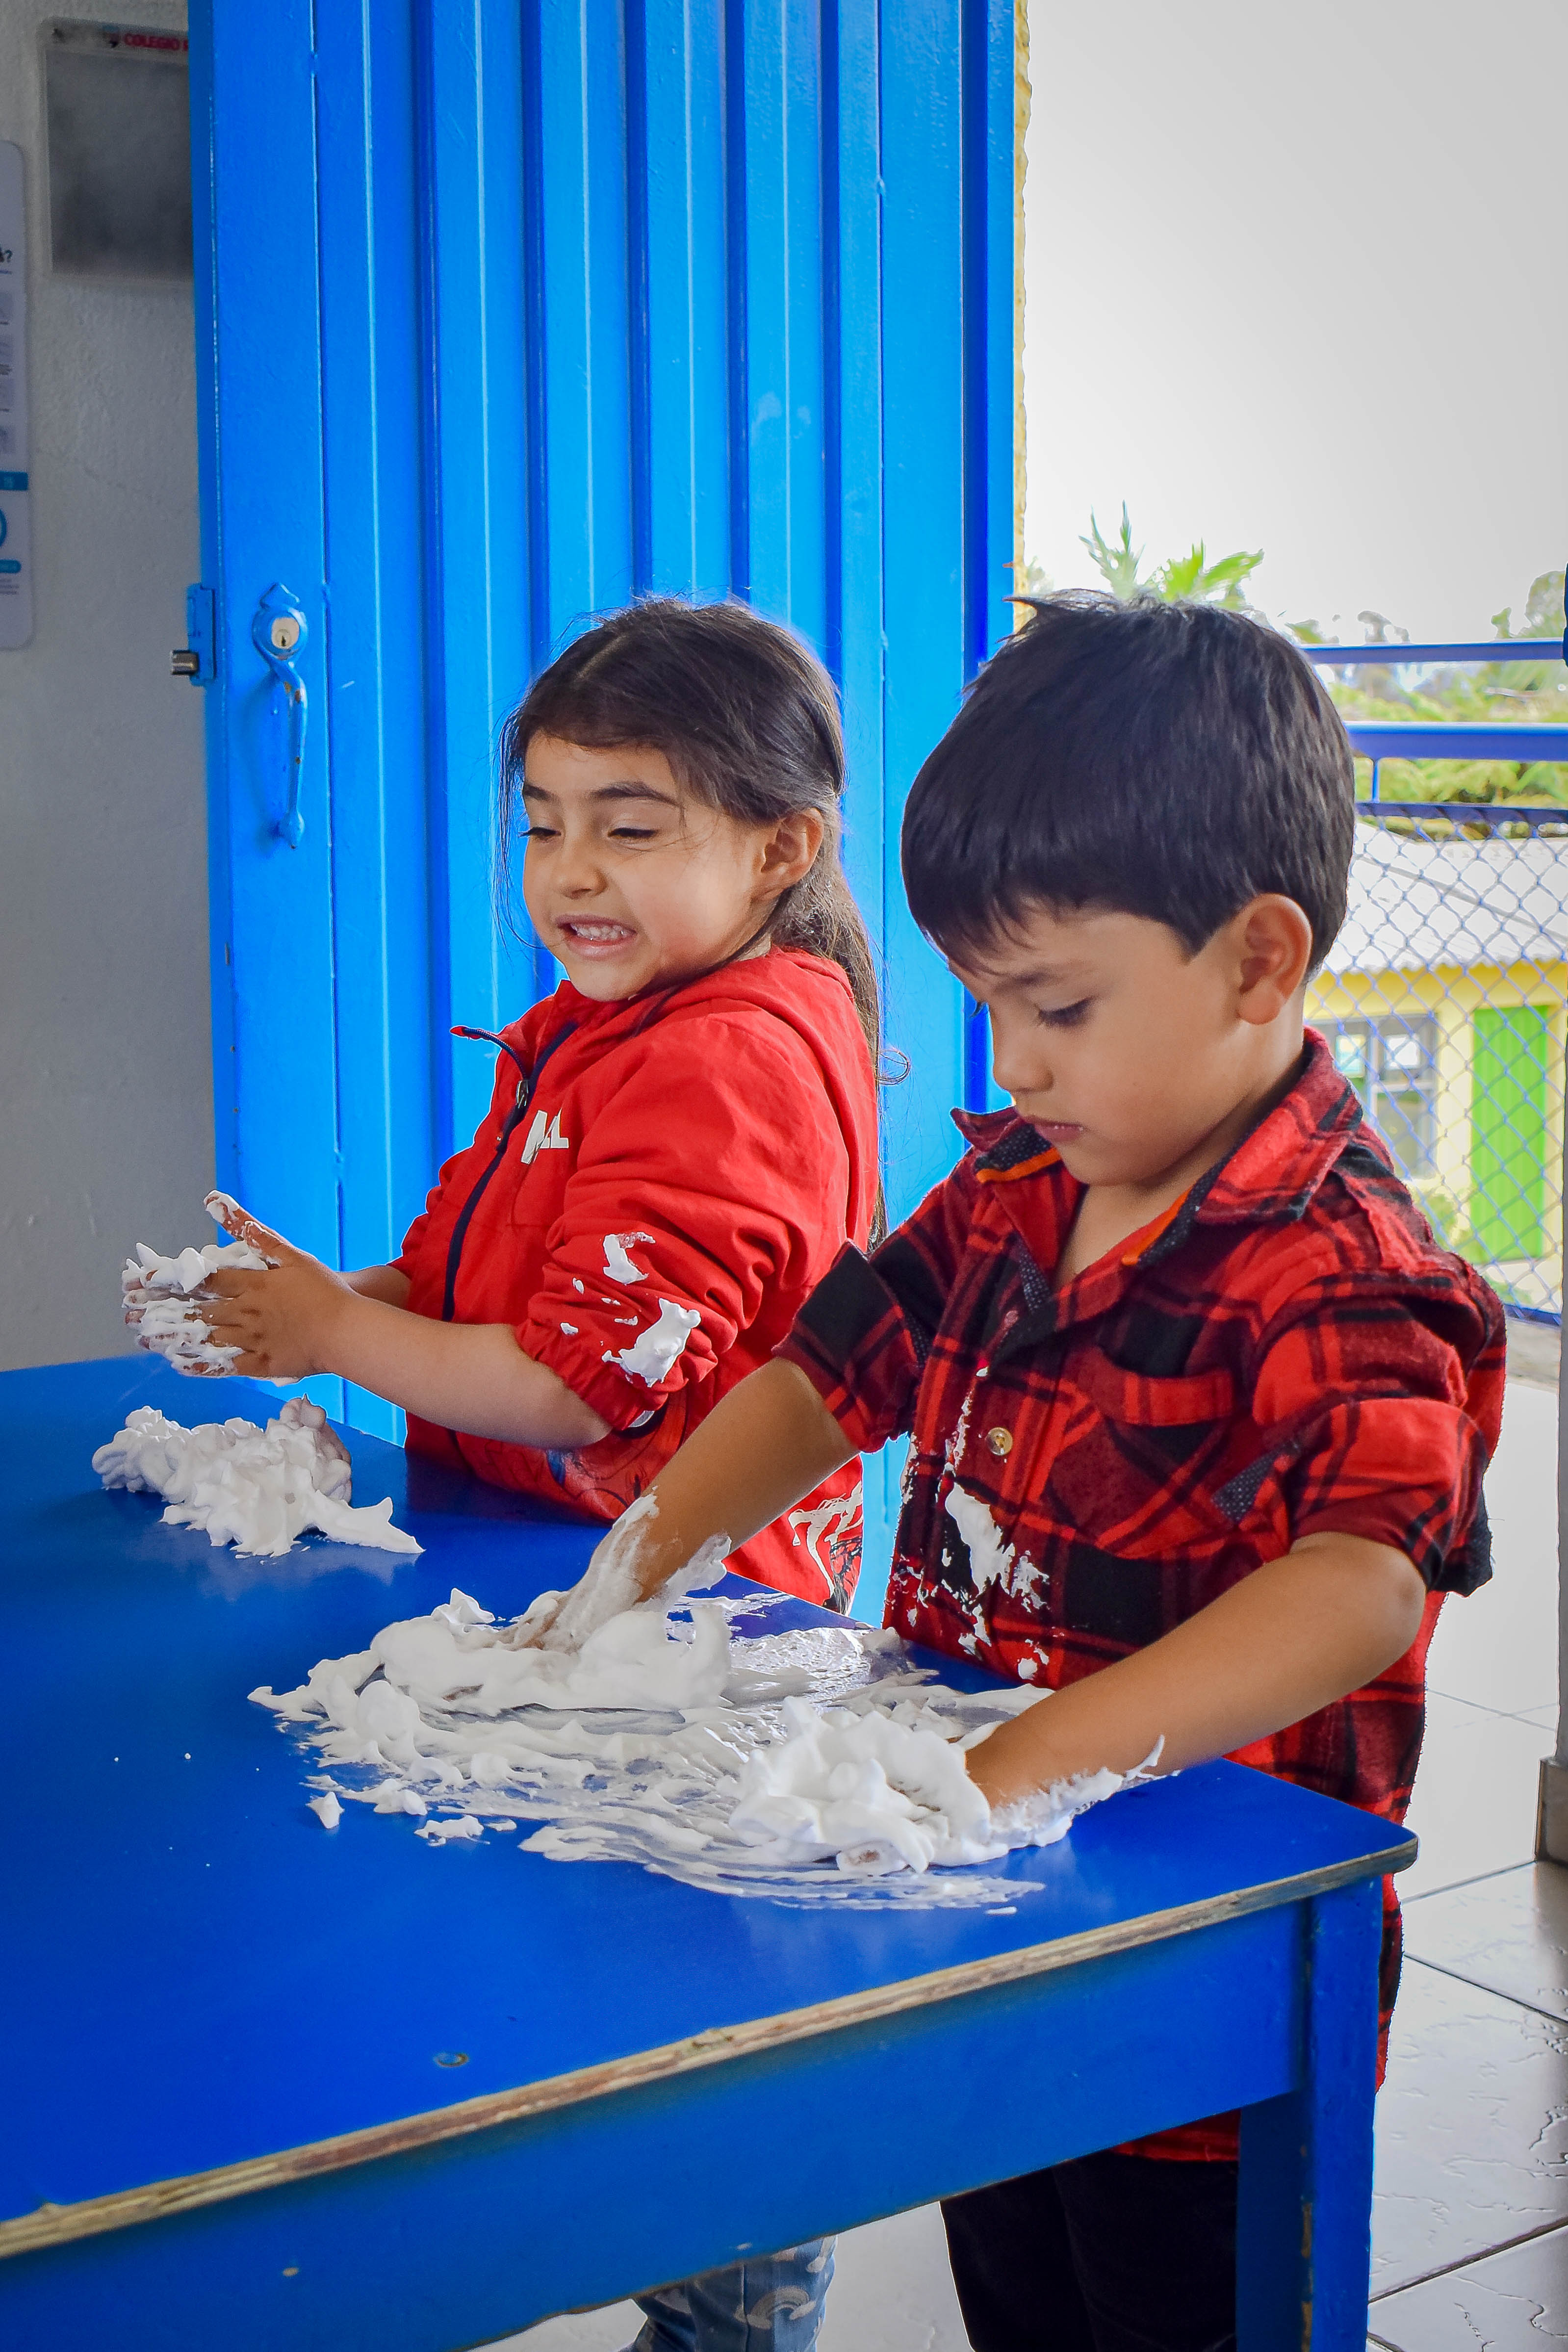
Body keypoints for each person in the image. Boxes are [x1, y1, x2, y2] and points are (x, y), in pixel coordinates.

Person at [535, 594, 1506, 2351]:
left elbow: (1362, 1579)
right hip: (987, 1941)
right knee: (1022, 2295)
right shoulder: (1015, 1189)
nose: (1010, 1060)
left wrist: (1015, 1766)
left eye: (1053, 1004)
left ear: (1258, 962)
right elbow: (830, 1372)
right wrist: (644, 1551)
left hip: (1191, 2005)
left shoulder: (1335, 1263)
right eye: (985, 1002)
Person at [203, 596, 879, 1615]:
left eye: (633, 829)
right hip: (541, 1555)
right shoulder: (593, 1026)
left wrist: (331, 1333)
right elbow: (465, 1287)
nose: (571, 871)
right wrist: (307, 1302)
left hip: (693, 1622)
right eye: (544, 824)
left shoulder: (728, 1065)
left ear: (782, 850)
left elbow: (574, 1386)